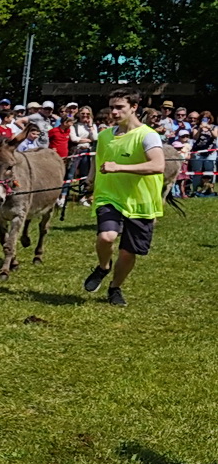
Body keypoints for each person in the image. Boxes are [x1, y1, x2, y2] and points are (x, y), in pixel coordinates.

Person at [84, 89, 165, 307]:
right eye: (112, 107)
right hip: (109, 196)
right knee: (106, 237)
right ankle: (103, 267)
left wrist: (119, 167)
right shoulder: (104, 135)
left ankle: (115, 288)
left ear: (134, 108)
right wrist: (91, 178)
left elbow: (158, 165)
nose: (115, 111)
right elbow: (98, 158)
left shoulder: (148, 135)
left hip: (141, 202)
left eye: (120, 107)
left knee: (128, 253)